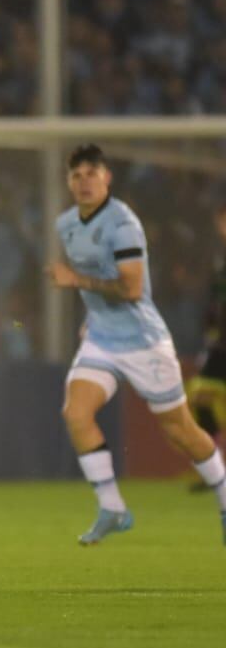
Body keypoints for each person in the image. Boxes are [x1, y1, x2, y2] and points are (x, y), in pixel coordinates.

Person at [48, 144, 226, 545]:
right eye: (76, 175)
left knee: (180, 430)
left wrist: (76, 282)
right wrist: (91, 317)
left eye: (92, 172)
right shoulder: (66, 225)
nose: (84, 181)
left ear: (107, 177)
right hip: (101, 340)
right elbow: (93, 276)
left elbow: (130, 288)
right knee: (76, 413)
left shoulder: (123, 223)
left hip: (143, 341)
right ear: (69, 182)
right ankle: (112, 507)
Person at [186, 204, 226, 464]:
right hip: (220, 344)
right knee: (199, 396)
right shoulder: (219, 260)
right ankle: (215, 461)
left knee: (201, 395)